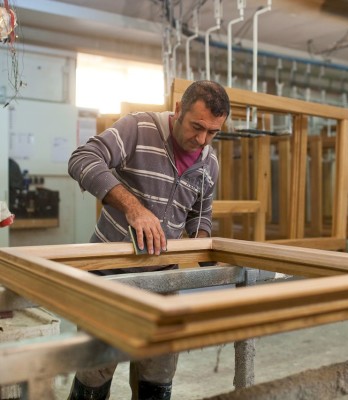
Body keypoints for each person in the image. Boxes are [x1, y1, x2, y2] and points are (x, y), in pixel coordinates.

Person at [67, 80, 230, 400]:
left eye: (212, 132)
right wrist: (133, 208)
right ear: (179, 110)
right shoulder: (138, 128)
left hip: (163, 285)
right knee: (94, 374)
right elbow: (82, 159)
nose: (201, 140)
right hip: (108, 279)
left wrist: (203, 243)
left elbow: (200, 213)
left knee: (156, 379)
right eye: (197, 127)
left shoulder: (209, 161)